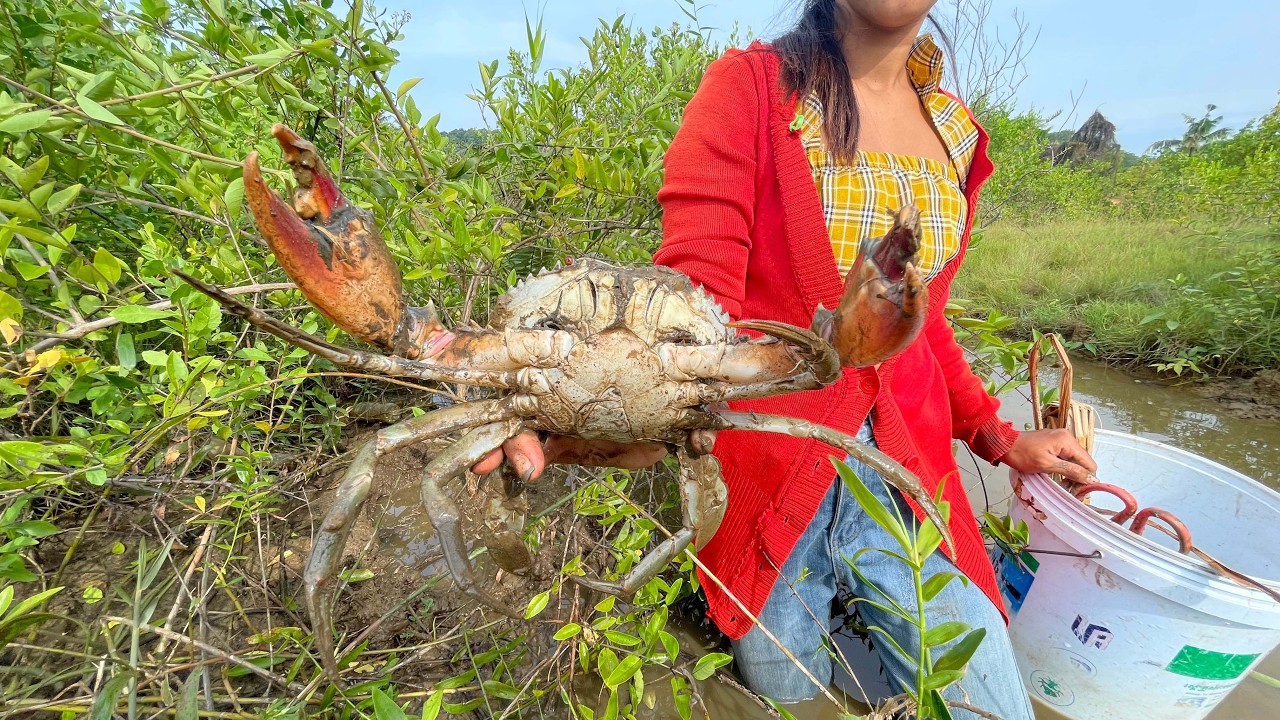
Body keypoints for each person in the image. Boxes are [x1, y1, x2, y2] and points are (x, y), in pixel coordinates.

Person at [476, 1, 1098, 716]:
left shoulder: (957, 133)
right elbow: (693, 302)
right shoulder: (753, 89)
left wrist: (1001, 437)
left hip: (906, 478)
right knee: (784, 692)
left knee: (984, 698)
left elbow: (924, 328)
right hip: (766, 472)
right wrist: (633, 420)